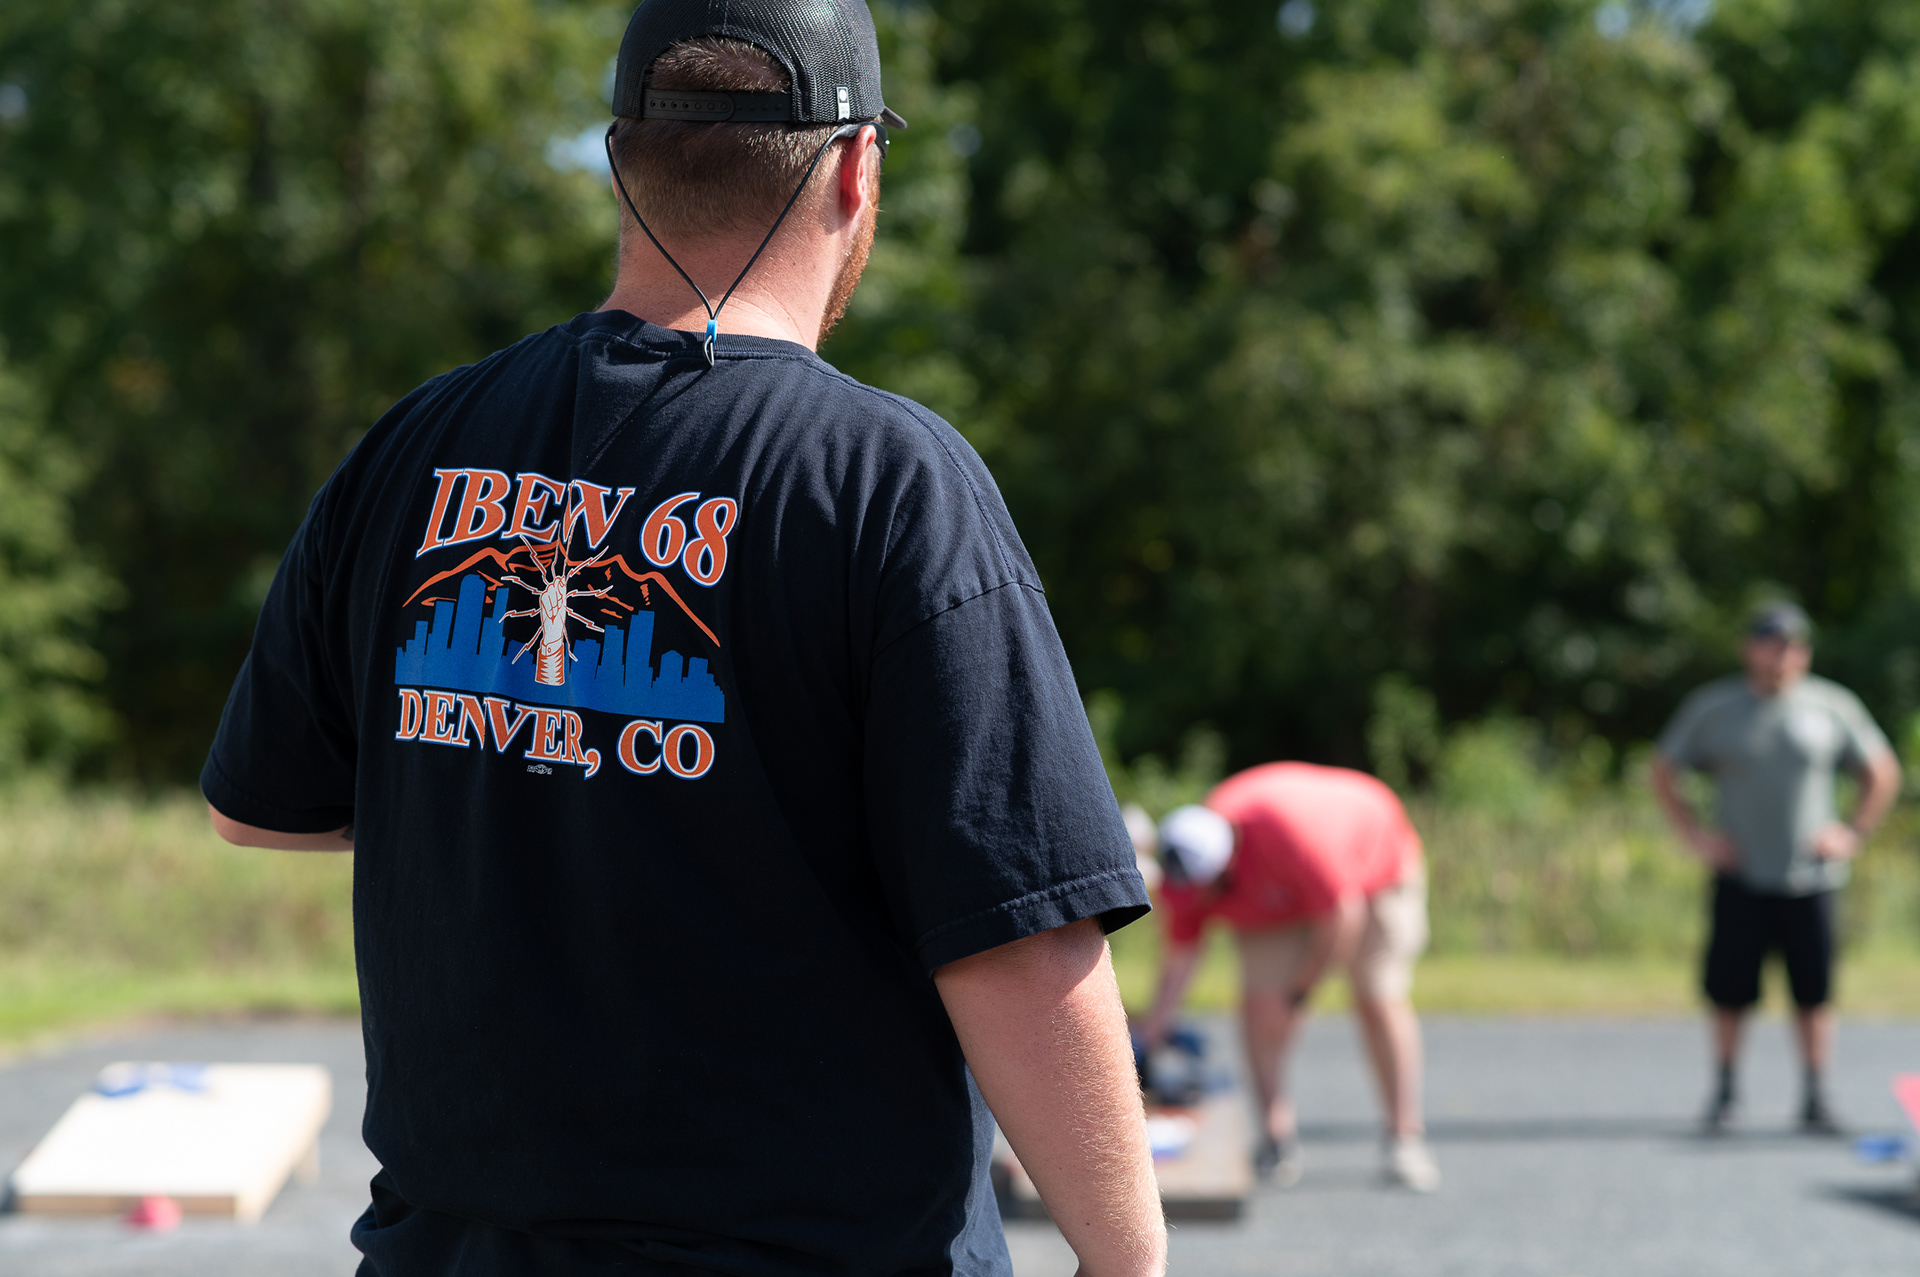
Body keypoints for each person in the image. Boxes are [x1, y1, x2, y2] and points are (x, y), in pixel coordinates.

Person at [200, 2, 1167, 1273]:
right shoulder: (886, 482)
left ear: (622, 161)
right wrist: (1126, 1256)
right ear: (858, 170)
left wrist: (536, 779)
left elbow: (260, 807)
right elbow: (1017, 929)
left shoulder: (415, 444)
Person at [1653, 601, 1901, 1135]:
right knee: (1729, 990)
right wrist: (1696, 836)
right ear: (1749, 648)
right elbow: (1664, 769)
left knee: (1814, 990)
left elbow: (1882, 770)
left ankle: (1815, 1095)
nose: (1782, 655)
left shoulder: (1831, 706)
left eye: (1793, 645)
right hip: (1741, 872)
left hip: (1810, 875)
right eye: (1771, 644)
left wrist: (1852, 832)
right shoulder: (1716, 708)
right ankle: (1725, 1091)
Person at [1137, 763, 1439, 1193]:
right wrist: (1151, 1035)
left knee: (1377, 996)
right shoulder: (1186, 868)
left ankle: (1404, 1137)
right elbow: (1180, 958)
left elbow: (1343, 917)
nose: (1198, 899)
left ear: (1228, 863)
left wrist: (1299, 994)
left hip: (1372, 865)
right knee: (1262, 1009)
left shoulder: (1293, 837)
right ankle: (1276, 1140)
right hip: (1283, 893)